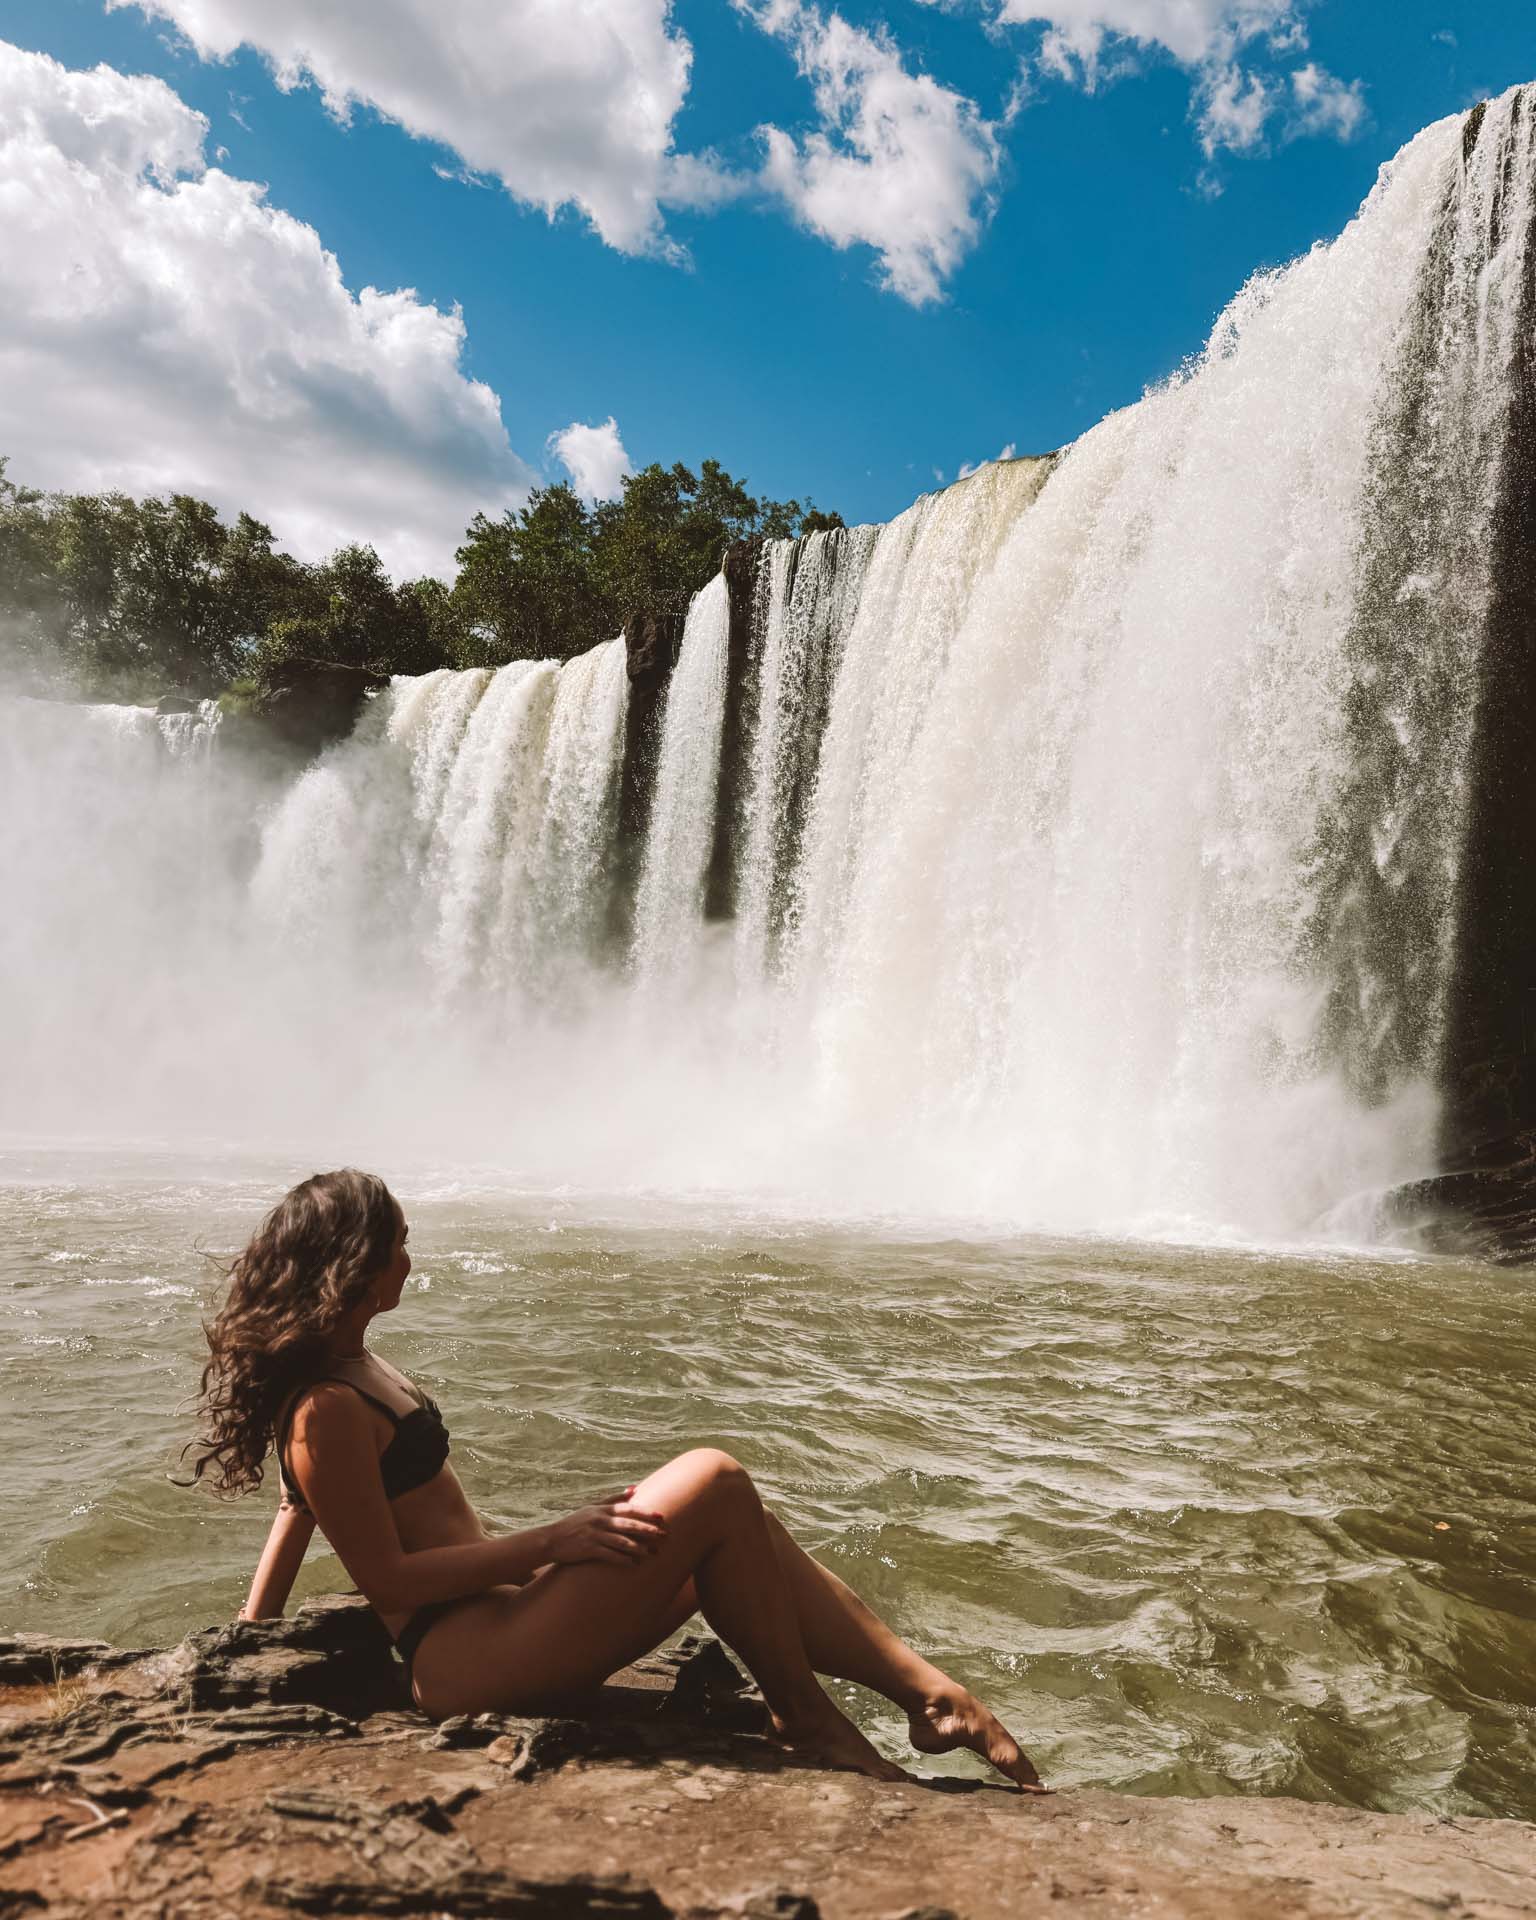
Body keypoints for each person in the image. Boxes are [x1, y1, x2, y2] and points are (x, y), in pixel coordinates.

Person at [186, 1167, 1046, 1789]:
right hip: (464, 1662)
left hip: (506, 1620)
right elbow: (388, 1580)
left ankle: (927, 1694)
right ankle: (807, 1716)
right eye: (399, 1244)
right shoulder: (326, 1408)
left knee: (734, 1532)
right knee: (712, 1478)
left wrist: (250, 1634)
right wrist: (555, 1540)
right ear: (356, 1259)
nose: (410, 1259)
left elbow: (299, 1507)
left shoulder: (352, 1367)